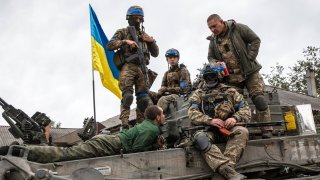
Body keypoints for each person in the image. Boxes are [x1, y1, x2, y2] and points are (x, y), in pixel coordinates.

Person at [0, 105, 166, 163]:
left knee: (67, 153)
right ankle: (19, 151)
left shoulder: (146, 125)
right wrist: (154, 146)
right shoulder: (152, 129)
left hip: (107, 141)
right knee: (66, 155)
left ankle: (22, 150)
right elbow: (135, 152)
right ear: (157, 117)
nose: (164, 116)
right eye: (162, 113)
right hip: (109, 145)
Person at [206, 14, 273, 138]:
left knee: (259, 99)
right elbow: (210, 57)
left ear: (221, 21)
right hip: (231, 77)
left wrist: (250, 57)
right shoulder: (213, 41)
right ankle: (240, 131)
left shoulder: (238, 28)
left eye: (214, 26)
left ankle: (267, 129)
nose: (212, 30)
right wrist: (215, 63)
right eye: (210, 28)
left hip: (249, 72)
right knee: (231, 104)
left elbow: (255, 40)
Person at [188, 64, 250, 180]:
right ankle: (227, 171)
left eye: (212, 76)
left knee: (242, 131)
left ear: (218, 76)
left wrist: (235, 118)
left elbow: (245, 109)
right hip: (208, 130)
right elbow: (192, 113)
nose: (209, 80)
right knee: (200, 139)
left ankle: (225, 172)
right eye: (207, 77)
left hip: (228, 128)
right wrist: (210, 121)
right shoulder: (199, 94)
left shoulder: (230, 91)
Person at [107, 5, 159, 128]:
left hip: (142, 68)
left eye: (140, 18)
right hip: (128, 67)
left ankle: (141, 125)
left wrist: (151, 41)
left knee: (143, 100)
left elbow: (155, 53)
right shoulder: (123, 32)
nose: (138, 21)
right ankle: (124, 124)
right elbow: (110, 45)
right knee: (127, 97)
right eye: (135, 18)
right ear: (129, 18)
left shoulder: (145, 35)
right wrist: (125, 41)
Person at [157, 48, 192, 115]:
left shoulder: (183, 70)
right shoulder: (166, 73)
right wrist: (160, 91)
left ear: (178, 59)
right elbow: (163, 86)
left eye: (174, 57)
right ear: (167, 60)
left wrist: (166, 89)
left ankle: (156, 121)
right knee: (147, 95)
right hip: (168, 95)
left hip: (180, 95)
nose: (172, 59)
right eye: (170, 57)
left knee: (163, 99)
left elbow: (184, 89)